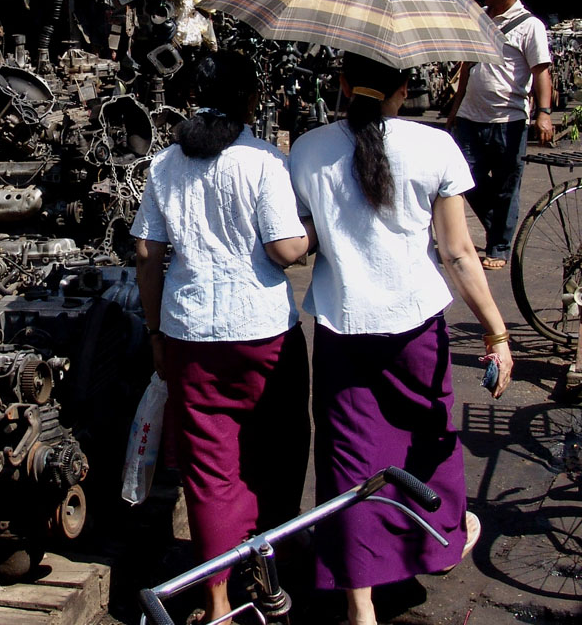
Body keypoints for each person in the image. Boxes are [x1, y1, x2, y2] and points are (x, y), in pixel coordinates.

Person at [290, 52, 514, 625]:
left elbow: (303, 238)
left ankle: (358, 605)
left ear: (342, 85)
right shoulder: (435, 147)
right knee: (428, 441)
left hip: (343, 328)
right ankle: (431, 547)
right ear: (405, 89)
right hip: (417, 327)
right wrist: (495, 332)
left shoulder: (310, 149)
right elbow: (459, 253)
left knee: (349, 463)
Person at [132, 52, 311, 624]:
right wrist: (311, 237)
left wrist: (156, 332)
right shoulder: (264, 162)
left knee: (209, 472)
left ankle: (217, 604)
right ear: (251, 101)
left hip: (187, 334)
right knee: (276, 457)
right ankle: (269, 569)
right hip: (262, 335)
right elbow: (286, 250)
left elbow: (146, 254)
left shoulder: (163, 165)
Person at [446, 0, 553, 270]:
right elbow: (467, 66)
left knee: (507, 185)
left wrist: (543, 114)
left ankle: (500, 246)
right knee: (465, 178)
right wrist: (455, 109)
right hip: (470, 117)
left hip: (509, 120)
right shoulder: (478, 18)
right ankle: (499, 229)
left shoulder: (530, 26)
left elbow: (542, 72)